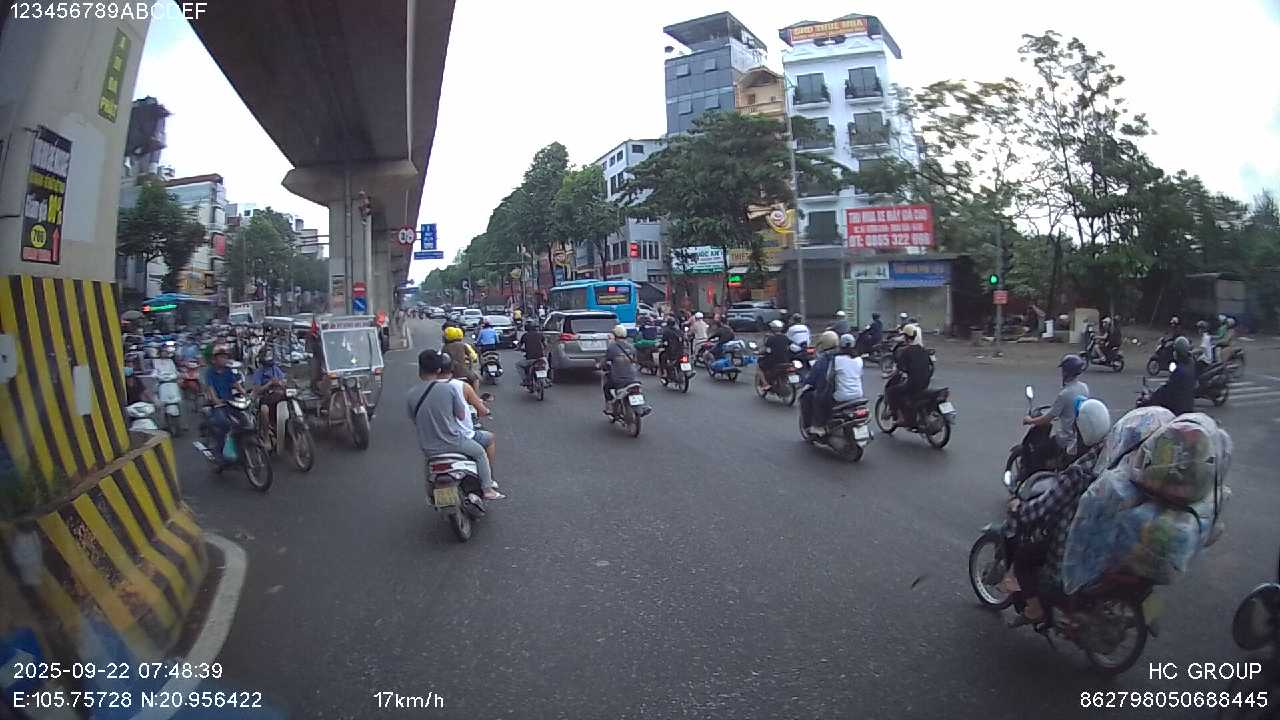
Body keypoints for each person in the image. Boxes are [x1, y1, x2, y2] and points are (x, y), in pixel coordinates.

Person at [1004, 398, 1111, 624]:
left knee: (1023, 558)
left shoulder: (1078, 473)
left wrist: (1020, 508)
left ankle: (1035, 609)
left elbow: (1045, 506)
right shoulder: (1108, 457)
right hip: (1096, 535)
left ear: (1084, 432)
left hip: (1068, 541)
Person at [408, 350, 502, 501]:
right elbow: (461, 415)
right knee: (480, 453)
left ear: (420, 370)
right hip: (454, 442)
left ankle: (431, 495)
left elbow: (414, 420)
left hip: (428, 446)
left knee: (428, 465)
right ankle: (488, 489)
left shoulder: (411, 394)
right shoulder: (449, 388)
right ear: (438, 370)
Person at [1020, 354, 1090, 471]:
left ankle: (1035, 476)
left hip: (1065, 439)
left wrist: (1030, 420)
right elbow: (1070, 409)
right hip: (1079, 437)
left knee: (1037, 453)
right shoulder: (1084, 388)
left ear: (1066, 372)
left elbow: (1047, 418)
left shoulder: (1065, 394)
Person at [436, 357, 498, 485]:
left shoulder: (426, 388)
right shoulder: (462, 386)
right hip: (460, 437)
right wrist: (485, 411)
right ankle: (488, 481)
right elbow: (476, 410)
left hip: (434, 440)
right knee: (489, 439)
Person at [884, 324, 932, 425]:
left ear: (906, 337)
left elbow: (898, 369)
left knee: (892, 391)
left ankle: (901, 418)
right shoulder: (923, 349)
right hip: (925, 382)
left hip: (913, 383)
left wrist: (888, 375)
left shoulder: (906, 351)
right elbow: (930, 366)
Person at [203, 345, 245, 457]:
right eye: (221, 357)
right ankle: (219, 451)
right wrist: (216, 400)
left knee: (244, 420)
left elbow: (236, 384)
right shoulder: (209, 373)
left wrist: (245, 394)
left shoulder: (228, 371)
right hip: (218, 405)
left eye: (225, 357)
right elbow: (210, 389)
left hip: (230, 402)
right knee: (224, 424)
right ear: (214, 359)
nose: (224, 359)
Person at [800, 331, 841, 434]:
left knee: (808, 396)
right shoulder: (846, 356)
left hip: (833, 393)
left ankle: (817, 425)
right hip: (854, 393)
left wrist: (805, 382)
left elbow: (813, 378)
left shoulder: (824, 359)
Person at [1146, 336, 1196, 415]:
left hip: (1177, 408)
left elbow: (1167, 389)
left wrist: (1151, 398)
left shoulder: (1179, 371)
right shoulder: (1190, 364)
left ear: (1177, 353)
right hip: (1187, 405)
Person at [600, 325, 639, 413]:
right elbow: (635, 360)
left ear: (615, 335)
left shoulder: (612, 347)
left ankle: (609, 406)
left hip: (618, 379)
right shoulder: (631, 346)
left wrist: (601, 365)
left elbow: (605, 361)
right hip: (633, 378)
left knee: (606, 387)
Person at [250, 348, 288, 431]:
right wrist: (269, 383)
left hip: (279, 397)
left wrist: (279, 383)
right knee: (264, 411)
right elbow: (257, 390)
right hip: (265, 398)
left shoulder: (275, 369)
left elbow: (284, 382)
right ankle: (266, 435)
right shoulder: (258, 372)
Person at [756, 319, 792, 392]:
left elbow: (766, 349)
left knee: (759, 368)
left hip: (773, 361)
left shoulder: (771, 338)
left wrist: (758, 352)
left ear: (772, 328)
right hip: (785, 360)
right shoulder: (785, 338)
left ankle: (765, 384)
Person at [515, 321, 546, 385]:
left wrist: (518, 349)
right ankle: (546, 379)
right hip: (540, 358)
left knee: (518, 365)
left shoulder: (525, 336)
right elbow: (545, 345)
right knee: (545, 365)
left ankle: (525, 380)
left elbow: (519, 346)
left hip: (530, 359)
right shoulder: (540, 335)